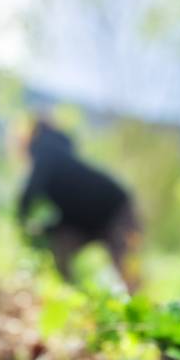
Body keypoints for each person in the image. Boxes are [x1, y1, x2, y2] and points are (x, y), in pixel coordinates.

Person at [18, 119, 141, 291]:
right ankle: (68, 295)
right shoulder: (58, 152)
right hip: (85, 221)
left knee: (127, 270)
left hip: (117, 211)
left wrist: (21, 219)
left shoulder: (47, 152)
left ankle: (137, 305)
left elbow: (30, 193)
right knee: (59, 245)